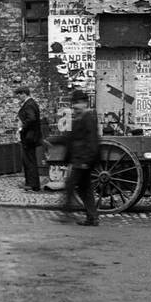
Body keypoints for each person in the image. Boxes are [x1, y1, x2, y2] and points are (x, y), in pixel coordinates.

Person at [53, 89, 100, 225]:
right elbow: (71, 137)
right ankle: (92, 217)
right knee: (84, 189)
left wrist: (87, 160)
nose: (75, 106)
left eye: (78, 103)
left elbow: (92, 141)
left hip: (83, 160)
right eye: (74, 103)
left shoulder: (88, 118)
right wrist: (54, 140)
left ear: (84, 104)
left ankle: (67, 214)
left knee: (70, 186)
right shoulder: (80, 118)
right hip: (80, 159)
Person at [16, 85, 42, 191]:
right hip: (31, 136)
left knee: (29, 160)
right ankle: (31, 183)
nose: (18, 97)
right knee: (29, 159)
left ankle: (33, 184)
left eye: (19, 95)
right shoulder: (30, 103)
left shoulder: (29, 105)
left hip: (29, 137)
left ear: (24, 94)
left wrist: (22, 127)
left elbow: (31, 118)